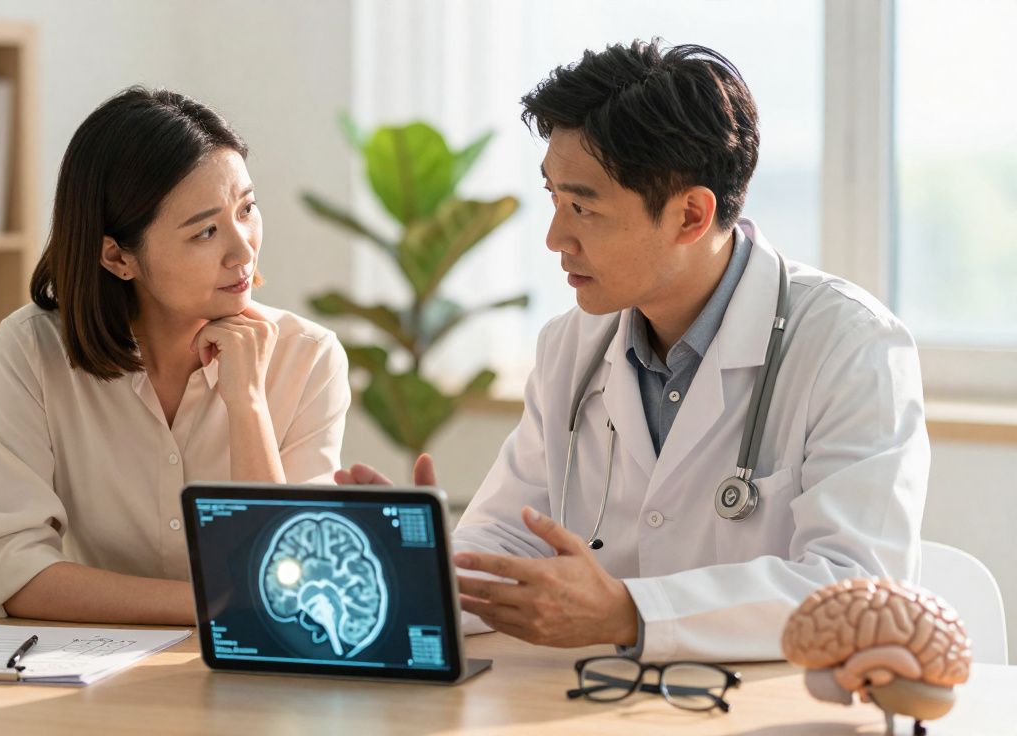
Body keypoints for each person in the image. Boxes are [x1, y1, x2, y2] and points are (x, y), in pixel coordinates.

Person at [337, 40, 928, 662]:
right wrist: (415, 565)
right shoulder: (572, 345)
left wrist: (630, 613)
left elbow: (860, 591)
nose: (554, 237)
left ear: (691, 216)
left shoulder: (851, 346)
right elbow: (514, 532)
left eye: (583, 207)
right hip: (597, 703)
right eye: (554, 200)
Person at [0, 87, 351, 625]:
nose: (243, 250)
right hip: (88, 681)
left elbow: (292, 571)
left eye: (248, 209)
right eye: (206, 231)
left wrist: (248, 404)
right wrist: (220, 605)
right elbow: (19, 573)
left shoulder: (307, 357)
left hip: (258, 679)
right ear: (119, 256)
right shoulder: (32, 349)